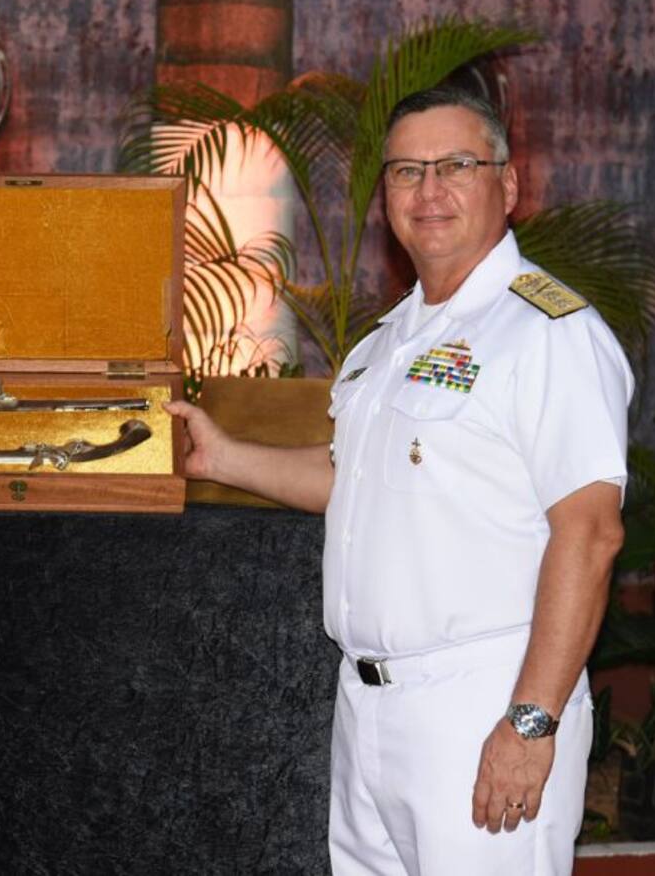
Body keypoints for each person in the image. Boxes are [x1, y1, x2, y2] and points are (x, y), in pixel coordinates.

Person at [167, 86, 631, 874]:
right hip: (368, 707)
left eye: (456, 166)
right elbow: (352, 481)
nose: (429, 190)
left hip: (484, 700)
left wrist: (530, 721)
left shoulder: (548, 334)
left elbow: (589, 534)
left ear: (508, 185)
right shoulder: (388, 342)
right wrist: (224, 458)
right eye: (407, 171)